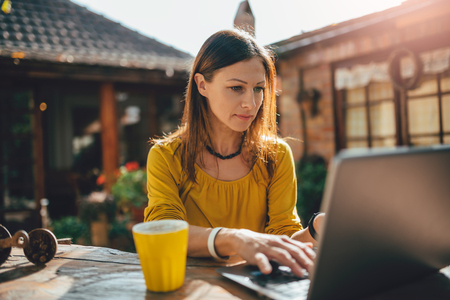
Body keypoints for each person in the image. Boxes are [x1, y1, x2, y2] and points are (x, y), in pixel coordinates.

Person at [144, 28, 324, 277]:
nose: (250, 103)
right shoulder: (166, 156)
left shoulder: (276, 155)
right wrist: (235, 239)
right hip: (192, 289)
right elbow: (165, 231)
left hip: (257, 288)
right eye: (236, 88)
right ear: (202, 85)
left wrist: (316, 229)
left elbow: (281, 239)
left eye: (258, 89)